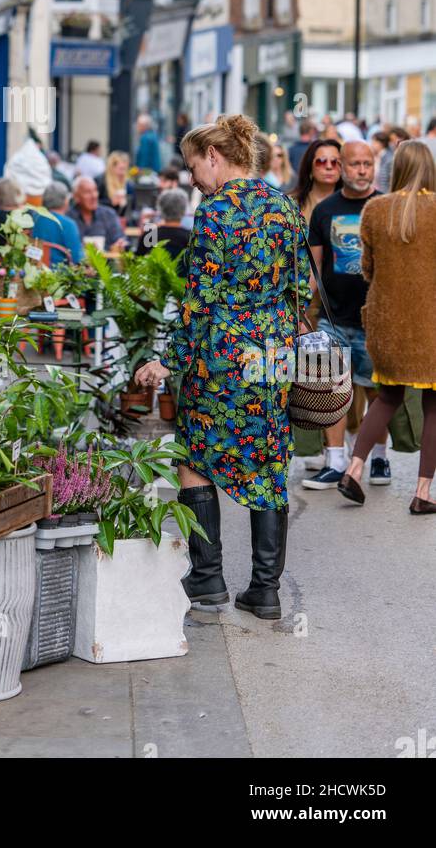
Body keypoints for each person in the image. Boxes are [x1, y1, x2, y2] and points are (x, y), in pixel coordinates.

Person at [135, 114, 309, 620]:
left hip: (223, 357)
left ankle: (208, 579)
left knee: (194, 453)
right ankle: (266, 590)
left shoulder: (214, 213)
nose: (191, 178)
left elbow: (200, 298)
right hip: (272, 355)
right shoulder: (283, 205)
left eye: (193, 166)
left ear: (214, 156)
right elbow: (300, 291)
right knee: (269, 459)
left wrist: (169, 362)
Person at [339, 142, 436, 511]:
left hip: (387, 323)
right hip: (430, 322)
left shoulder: (376, 210)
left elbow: (367, 269)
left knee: (387, 397)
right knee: (434, 408)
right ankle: (423, 493)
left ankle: (353, 469)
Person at [303, 141, 387, 492]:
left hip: (374, 318)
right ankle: (336, 460)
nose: (362, 170)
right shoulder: (325, 210)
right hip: (332, 317)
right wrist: (299, 309)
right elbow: (315, 267)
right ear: (343, 167)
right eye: (355, 164)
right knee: (328, 388)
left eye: (367, 163)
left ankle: (379, 456)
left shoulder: (383, 207)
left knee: (375, 391)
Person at [29, 181, 85, 267]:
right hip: (60, 276)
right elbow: (77, 259)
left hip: (34, 272)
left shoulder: (33, 219)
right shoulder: (68, 225)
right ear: (65, 201)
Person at [68, 176, 127, 251]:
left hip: (107, 261)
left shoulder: (109, 214)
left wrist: (120, 244)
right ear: (76, 197)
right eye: (87, 192)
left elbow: (121, 239)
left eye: (95, 190)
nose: (94, 196)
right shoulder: (68, 217)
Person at [291, 138, 342, 224]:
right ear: (310, 167)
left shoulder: (351, 203)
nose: (329, 166)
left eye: (335, 161)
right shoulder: (291, 204)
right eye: (321, 161)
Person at [136, 187, 190, 258]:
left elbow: (138, 261)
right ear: (184, 210)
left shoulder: (151, 235)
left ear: (160, 209)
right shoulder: (190, 237)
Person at [374, 125, 409, 193]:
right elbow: (383, 180)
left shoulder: (407, 155)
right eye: (392, 141)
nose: (394, 143)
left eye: (396, 140)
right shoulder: (389, 156)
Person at [96, 150, 131, 219]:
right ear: (112, 167)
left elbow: (131, 208)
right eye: (121, 169)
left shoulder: (128, 184)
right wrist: (111, 202)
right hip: (103, 218)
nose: (123, 173)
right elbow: (94, 203)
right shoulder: (101, 181)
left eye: (125, 169)